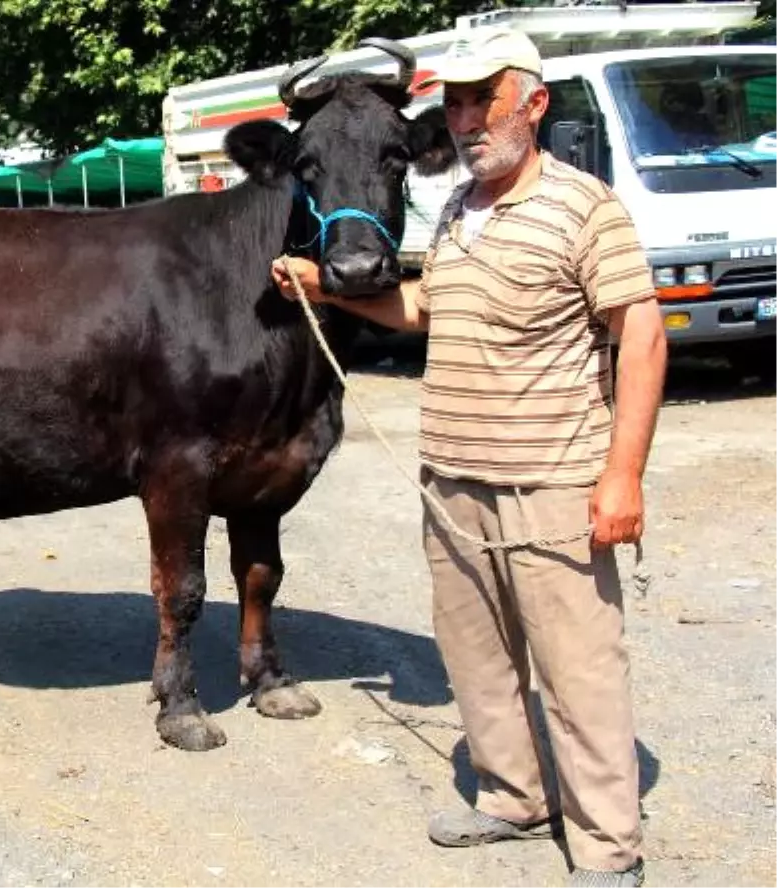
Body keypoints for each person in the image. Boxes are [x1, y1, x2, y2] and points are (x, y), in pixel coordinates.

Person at [272, 27, 667, 888]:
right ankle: (512, 800)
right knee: (478, 659)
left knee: (576, 669)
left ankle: (606, 847)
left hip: (553, 482)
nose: (463, 119)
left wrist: (623, 473)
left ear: (533, 103)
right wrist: (316, 283)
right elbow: (423, 310)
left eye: (481, 99)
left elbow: (639, 335)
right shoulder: (457, 211)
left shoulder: (584, 206)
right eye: (452, 103)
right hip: (452, 478)